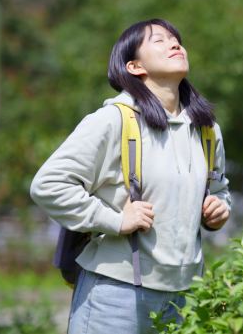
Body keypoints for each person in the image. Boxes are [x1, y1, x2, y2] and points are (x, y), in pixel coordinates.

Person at [30, 18, 232, 334]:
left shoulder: (207, 130)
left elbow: (218, 188)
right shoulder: (113, 121)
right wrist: (115, 220)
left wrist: (218, 209)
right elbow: (48, 184)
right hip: (114, 294)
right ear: (135, 66)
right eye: (160, 40)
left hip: (186, 294)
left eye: (176, 39)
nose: (175, 44)